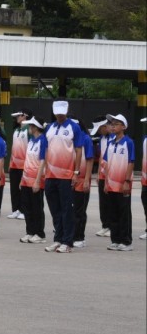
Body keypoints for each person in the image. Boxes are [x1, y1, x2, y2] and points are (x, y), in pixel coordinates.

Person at [43, 101, 83, 253]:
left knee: (66, 209)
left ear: (66, 111)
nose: (59, 114)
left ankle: (68, 241)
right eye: (57, 112)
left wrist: (76, 172)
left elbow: (78, 150)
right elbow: (46, 149)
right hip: (51, 175)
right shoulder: (50, 127)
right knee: (54, 208)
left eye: (62, 112)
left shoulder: (74, 127)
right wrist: (46, 170)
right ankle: (58, 238)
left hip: (66, 175)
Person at [101, 114, 135, 251]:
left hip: (123, 184)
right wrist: (105, 182)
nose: (113, 126)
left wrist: (127, 181)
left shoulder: (128, 142)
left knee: (123, 212)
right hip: (111, 184)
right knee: (113, 212)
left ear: (124, 127)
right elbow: (107, 163)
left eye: (117, 124)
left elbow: (131, 162)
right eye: (112, 124)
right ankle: (115, 240)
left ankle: (126, 241)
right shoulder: (110, 143)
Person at [19, 117, 48, 243]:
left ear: (35, 127)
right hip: (26, 179)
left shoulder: (43, 141)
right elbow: (27, 161)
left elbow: (43, 161)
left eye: (30, 126)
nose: (28, 128)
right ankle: (30, 231)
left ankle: (39, 233)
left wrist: (37, 180)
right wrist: (22, 179)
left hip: (37, 179)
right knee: (27, 207)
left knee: (37, 207)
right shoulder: (31, 141)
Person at [72, 119, 96, 247]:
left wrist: (87, 179)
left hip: (82, 180)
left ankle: (80, 237)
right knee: (72, 209)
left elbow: (90, 160)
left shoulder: (86, 139)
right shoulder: (72, 139)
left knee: (79, 210)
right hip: (72, 179)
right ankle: (72, 234)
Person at [7, 110, 31, 219]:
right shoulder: (16, 130)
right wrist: (10, 163)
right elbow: (13, 147)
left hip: (24, 165)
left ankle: (23, 210)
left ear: (25, 116)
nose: (17, 118)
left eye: (19, 116)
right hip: (14, 164)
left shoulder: (29, 130)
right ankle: (15, 209)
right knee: (14, 188)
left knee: (23, 189)